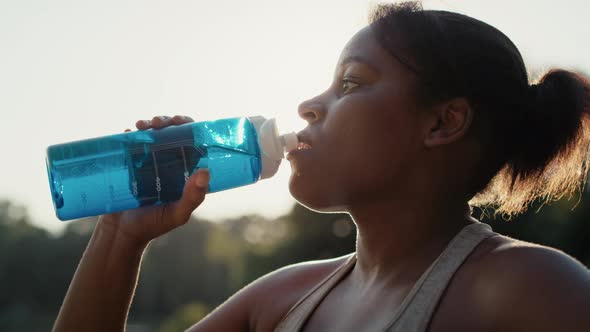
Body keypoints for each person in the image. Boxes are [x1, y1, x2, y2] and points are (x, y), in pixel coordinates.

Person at [53, 2, 590, 331]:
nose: (310, 105)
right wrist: (119, 240)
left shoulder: (533, 290)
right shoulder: (280, 300)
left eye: (351, 83)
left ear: (443, 123)